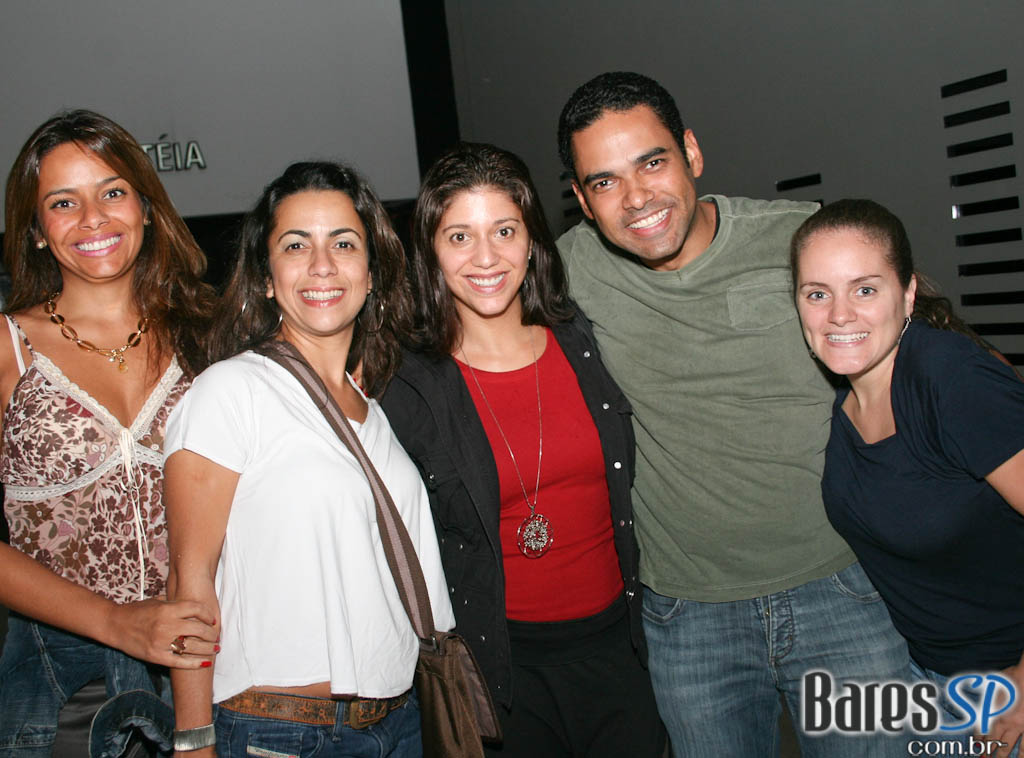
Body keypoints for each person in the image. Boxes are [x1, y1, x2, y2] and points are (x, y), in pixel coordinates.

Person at [555, 72, 912, 757]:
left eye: (652, 163)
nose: (636, 198)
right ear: (582, 199)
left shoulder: (799, 240)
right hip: (688, 616)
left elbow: (928, 358)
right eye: (604, 181)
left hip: (845, 586)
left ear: (691, 153)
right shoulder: (569, 270)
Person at [380, 143, 666, 757]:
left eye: (504, 231)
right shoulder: (406, 386)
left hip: (622, 653)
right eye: (459, 236)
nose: (485, 257)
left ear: (533, 240)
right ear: (430, 250)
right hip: (502, 675)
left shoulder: (584, 340)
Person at [164, 161, 455, 758]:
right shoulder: (230, 391)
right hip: (281, 732)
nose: (322, 265)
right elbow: (189, 584)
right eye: (296, 245)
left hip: (397, 724)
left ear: (371, 274)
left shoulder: (375, 411)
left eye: (343, 244)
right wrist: (193, 741)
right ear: (266, 278)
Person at [0, 110, 219, 757]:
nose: (93, 219)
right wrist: (116, 623)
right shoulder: (9, 347)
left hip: (216, 663)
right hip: (62, 680)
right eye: (63, 203)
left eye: (112, 192)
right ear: (37, 231)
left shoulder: (208, 335)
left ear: (146, 207)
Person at [790, 198, 1024, 757]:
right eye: (817, 294)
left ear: (909, 293)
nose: (839, 315)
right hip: (924, 685)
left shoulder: (950, 378)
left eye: (865, 290)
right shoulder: (841, 402)